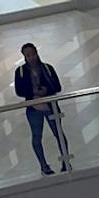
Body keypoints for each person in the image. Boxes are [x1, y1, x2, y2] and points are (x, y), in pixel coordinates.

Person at [13, 42, 68, 174]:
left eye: (33, 54)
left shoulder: (47, 68)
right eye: (28, 55)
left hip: (51, 106)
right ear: (24, 57)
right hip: (33, 109)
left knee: (58, 133)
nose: (32, 57)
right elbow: (19, 91)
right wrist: (33, 92)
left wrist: (46, 90)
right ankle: (43, 165)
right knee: (37, 136)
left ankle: (66, 160)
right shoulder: (20, 72)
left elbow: (57, 86)